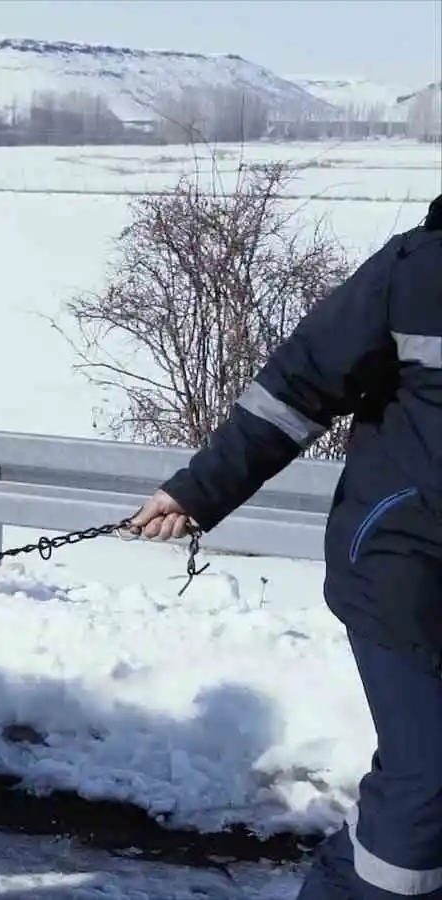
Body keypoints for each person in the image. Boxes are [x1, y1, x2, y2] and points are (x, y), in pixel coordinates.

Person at [130, 193, 442, 900]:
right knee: (426, 788)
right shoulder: (415, 270)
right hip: (405, 563)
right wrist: (198, 491)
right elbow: (291, 391)